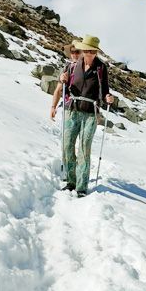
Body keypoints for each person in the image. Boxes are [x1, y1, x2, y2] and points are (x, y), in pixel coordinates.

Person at [54, 35, 114, 197]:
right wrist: (62, 78)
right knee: (67, 145)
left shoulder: (101, 68)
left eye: (92, 51)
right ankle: (71, 181)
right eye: (86, 50)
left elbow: (105, 89)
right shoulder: (73, 66)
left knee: (84, 148)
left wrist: (108, 97)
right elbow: (63, 83)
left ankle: (81, 186)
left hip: (90, 113)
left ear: (96, 52)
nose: (88, 53)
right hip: (71, 109)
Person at [50, 44, 80, 121]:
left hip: (84, 108)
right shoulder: (67, 68)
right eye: (72, 52)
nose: (75, 55)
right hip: (68, 104)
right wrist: (53, 107)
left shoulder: (89, 69)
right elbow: (58, 90)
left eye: (77, 52)